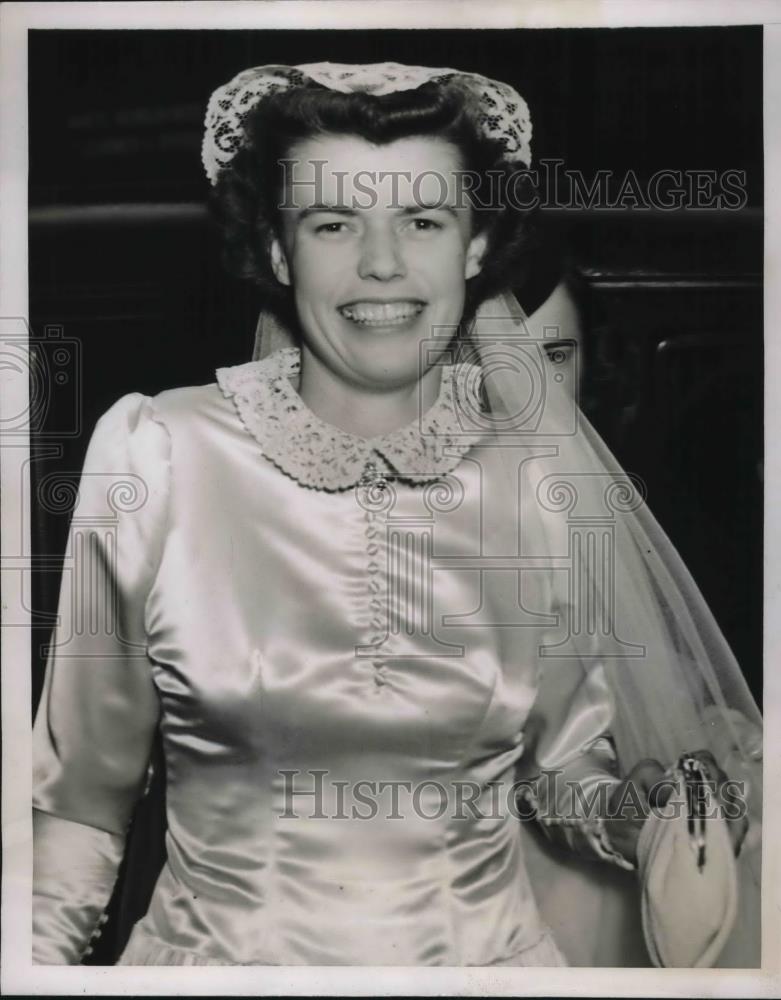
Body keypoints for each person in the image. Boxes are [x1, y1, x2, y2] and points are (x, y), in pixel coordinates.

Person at [32, 61, 762, 968]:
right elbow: (75, 808)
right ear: (275, 249)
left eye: (421, 221)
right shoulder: (157, 452)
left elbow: (556, 774)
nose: (381, 263)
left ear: (473, 248)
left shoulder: (536, 479)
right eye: (333, 223)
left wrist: (630, 813)